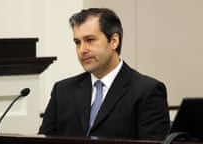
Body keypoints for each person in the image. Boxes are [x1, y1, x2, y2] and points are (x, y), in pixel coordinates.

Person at [38, 8, 170, 140]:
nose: (82, 50)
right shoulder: (62, 90)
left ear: (114, 41)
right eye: (78, 42)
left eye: (90, 40)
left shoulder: (147, 91)